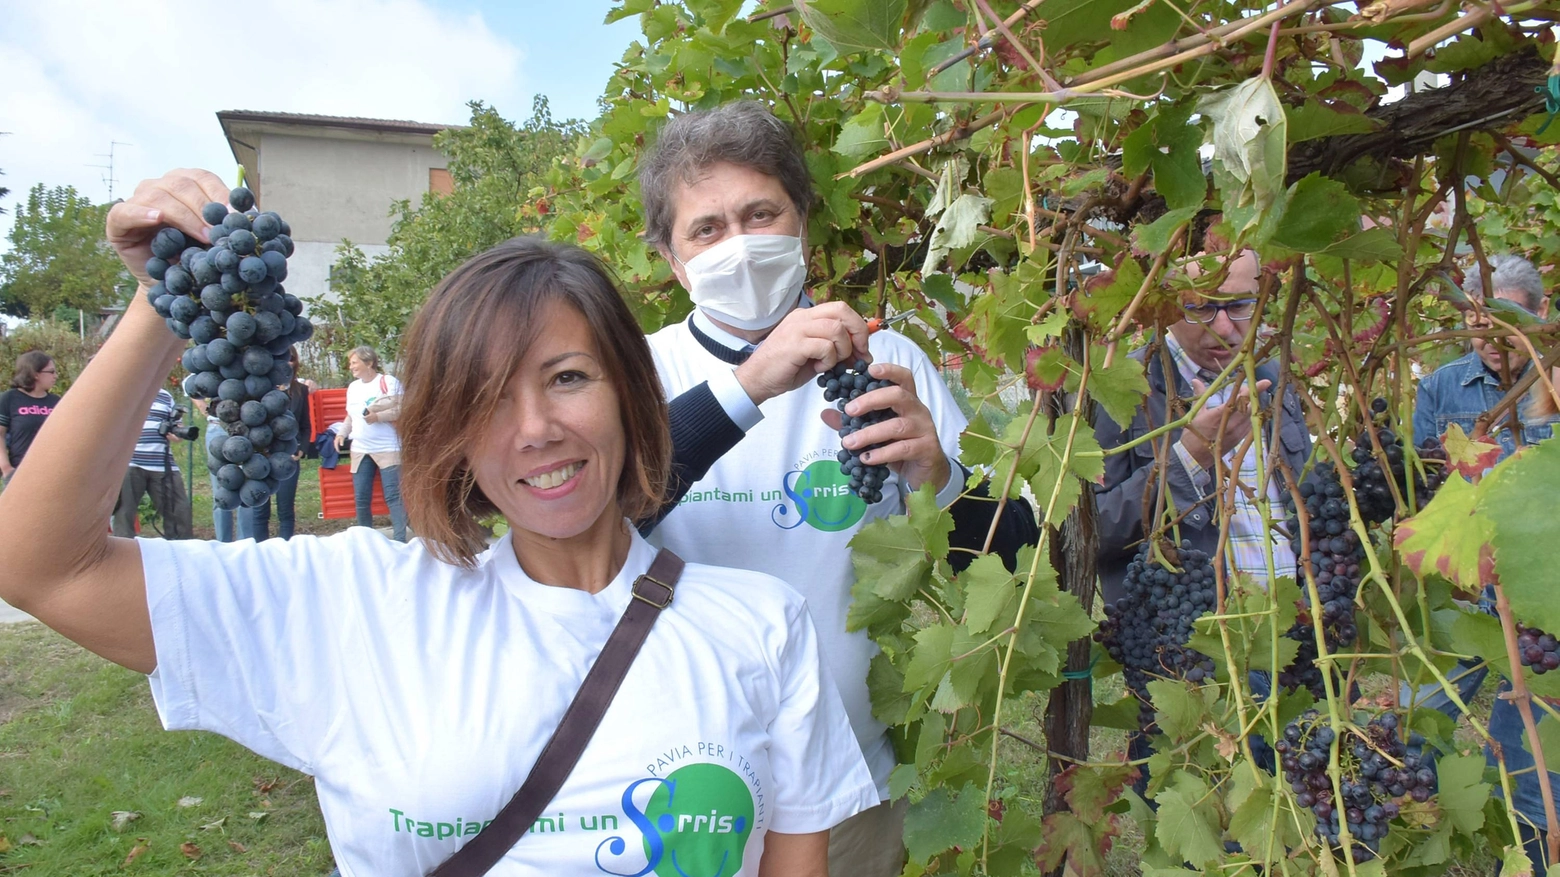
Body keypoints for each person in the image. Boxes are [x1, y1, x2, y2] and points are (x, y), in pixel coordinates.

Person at [0, 169, 877, 877]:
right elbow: (41, 563)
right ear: (450, 431)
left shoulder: (761, 625)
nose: (535, 425)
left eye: (568, 376)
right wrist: (168, 299)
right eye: (488, 398)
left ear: (631, 392)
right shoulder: (356, 606)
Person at [635, 100, 1039, 877]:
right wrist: (749, 385)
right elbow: (608, 514)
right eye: (708, 229)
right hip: (672, 786)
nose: (741, 244)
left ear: (804, 225)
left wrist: (941, 480)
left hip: (850, 788)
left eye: (762, 213)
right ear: (671, 258)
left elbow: (1003, 563)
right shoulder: (637, 374)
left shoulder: (888, 360)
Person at [1092, 250, 1312, 790]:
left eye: (1239, 306)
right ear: (1164, 308)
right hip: (1196, 665)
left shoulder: (1273, 380)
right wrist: (1189, 455)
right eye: (1200, 308)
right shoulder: (1121, 390)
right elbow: (1090, 532)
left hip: (1300, 646)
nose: (1223, 327)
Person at [1409, 253, 1558, 874]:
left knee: (1531, 750)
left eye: (1505, 325)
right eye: (1477, 330)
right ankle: (1415, 819)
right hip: (1469, 596)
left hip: (1544, 604)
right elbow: (1420, 479)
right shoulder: (1443, 386)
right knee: (1420, 719)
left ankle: (1529, 855)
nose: (1491, 343)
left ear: (1541, 313)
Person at [241, 349, 316, 541]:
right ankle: (261, 552)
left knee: (285, 509)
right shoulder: (260, 388)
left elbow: (306, 425)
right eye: (282, 359)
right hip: (262, 457)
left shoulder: (301, 390)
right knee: (260, 510)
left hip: (288, 457)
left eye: (291, 360)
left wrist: (302, 449)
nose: (287, 364)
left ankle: (286, 551)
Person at [335, 345, 408, 542]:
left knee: (394, 496)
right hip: (360, 448)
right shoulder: (353, 387)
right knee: (361, 498)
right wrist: (342, 433)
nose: (351, 367)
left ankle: (400, 540)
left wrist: (378, 417)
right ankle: (365, 541)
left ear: (369, 363)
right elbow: (351, 416)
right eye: (350, 363)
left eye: (354, 362)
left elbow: (402, 409)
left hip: (388, 448)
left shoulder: (388, 382)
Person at [110, 385, 194, 540]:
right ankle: (124, 558)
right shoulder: (122, 391)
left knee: (179, 513)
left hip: (163, 462)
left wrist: (176, 433)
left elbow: (177, 431)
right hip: (129, 462)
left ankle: (181, 553)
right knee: (124, 515)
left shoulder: (165, 396)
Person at [0, 351, 61, 485]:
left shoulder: (56, 402)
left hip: (52, 473)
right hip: (20, 473)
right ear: (35, 373)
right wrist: (6, 468)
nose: (55, 376)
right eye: (51, 372)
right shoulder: (9, 398)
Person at [192, 397, 236, 542]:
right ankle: (223, 545)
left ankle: (246, 544)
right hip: (217, 428)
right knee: (221, 490)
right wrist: (207, 411)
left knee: (248, 486)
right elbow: (191, 384)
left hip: (244, 426)